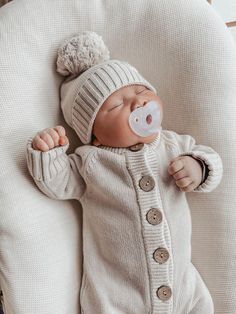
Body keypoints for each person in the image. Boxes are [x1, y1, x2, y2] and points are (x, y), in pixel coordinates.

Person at [26, 31, 223, 314]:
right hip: (116, 298)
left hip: (183, 291)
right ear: (94, 134)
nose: (138, 103)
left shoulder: (173, 144)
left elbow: (211, 158)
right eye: (117, 105)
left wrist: (198, 166)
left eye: (142, 92)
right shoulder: (91, 162)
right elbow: (56, 181)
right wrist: (46, 153)